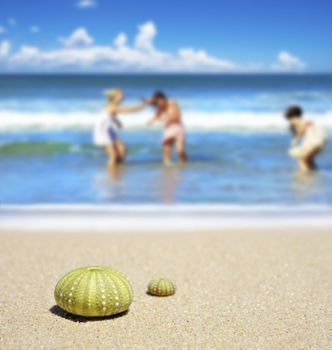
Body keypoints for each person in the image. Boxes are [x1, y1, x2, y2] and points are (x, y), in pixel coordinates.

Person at [94, 89, 148, 168]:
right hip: (102, 131)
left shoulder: (112, 105)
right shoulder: (112, 106)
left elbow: (108, 115)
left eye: (123, 94)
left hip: (109, 130)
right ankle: (111, 174)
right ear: (115, 96)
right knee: (113, 155)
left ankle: (119, 169)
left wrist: (117, 121)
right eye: (121, 94)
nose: (123, 96)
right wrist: (144, 104)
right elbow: (131, 110)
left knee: (123, 150)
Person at [147, 91, 188, 166]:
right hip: (168, 127)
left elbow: (178, 115)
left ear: (163, 98)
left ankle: (184, 163)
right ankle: (167, 164)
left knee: (180, 150)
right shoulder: (160, 108)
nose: (159, 103)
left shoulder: (172, 102)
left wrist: (166, 119)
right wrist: (151, 121)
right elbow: (156, 116)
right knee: (167, 145)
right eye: (157, 102)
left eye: (160, 101)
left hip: (178, 126)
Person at [285, 105, 328, 172]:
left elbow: (301, 129)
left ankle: (306, 175)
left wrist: (295, 137)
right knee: (308, 159)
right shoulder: (305, 120)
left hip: (313, 140)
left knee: (302, 160)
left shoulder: (294, 120)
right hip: (322, 139)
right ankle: (315, 172)